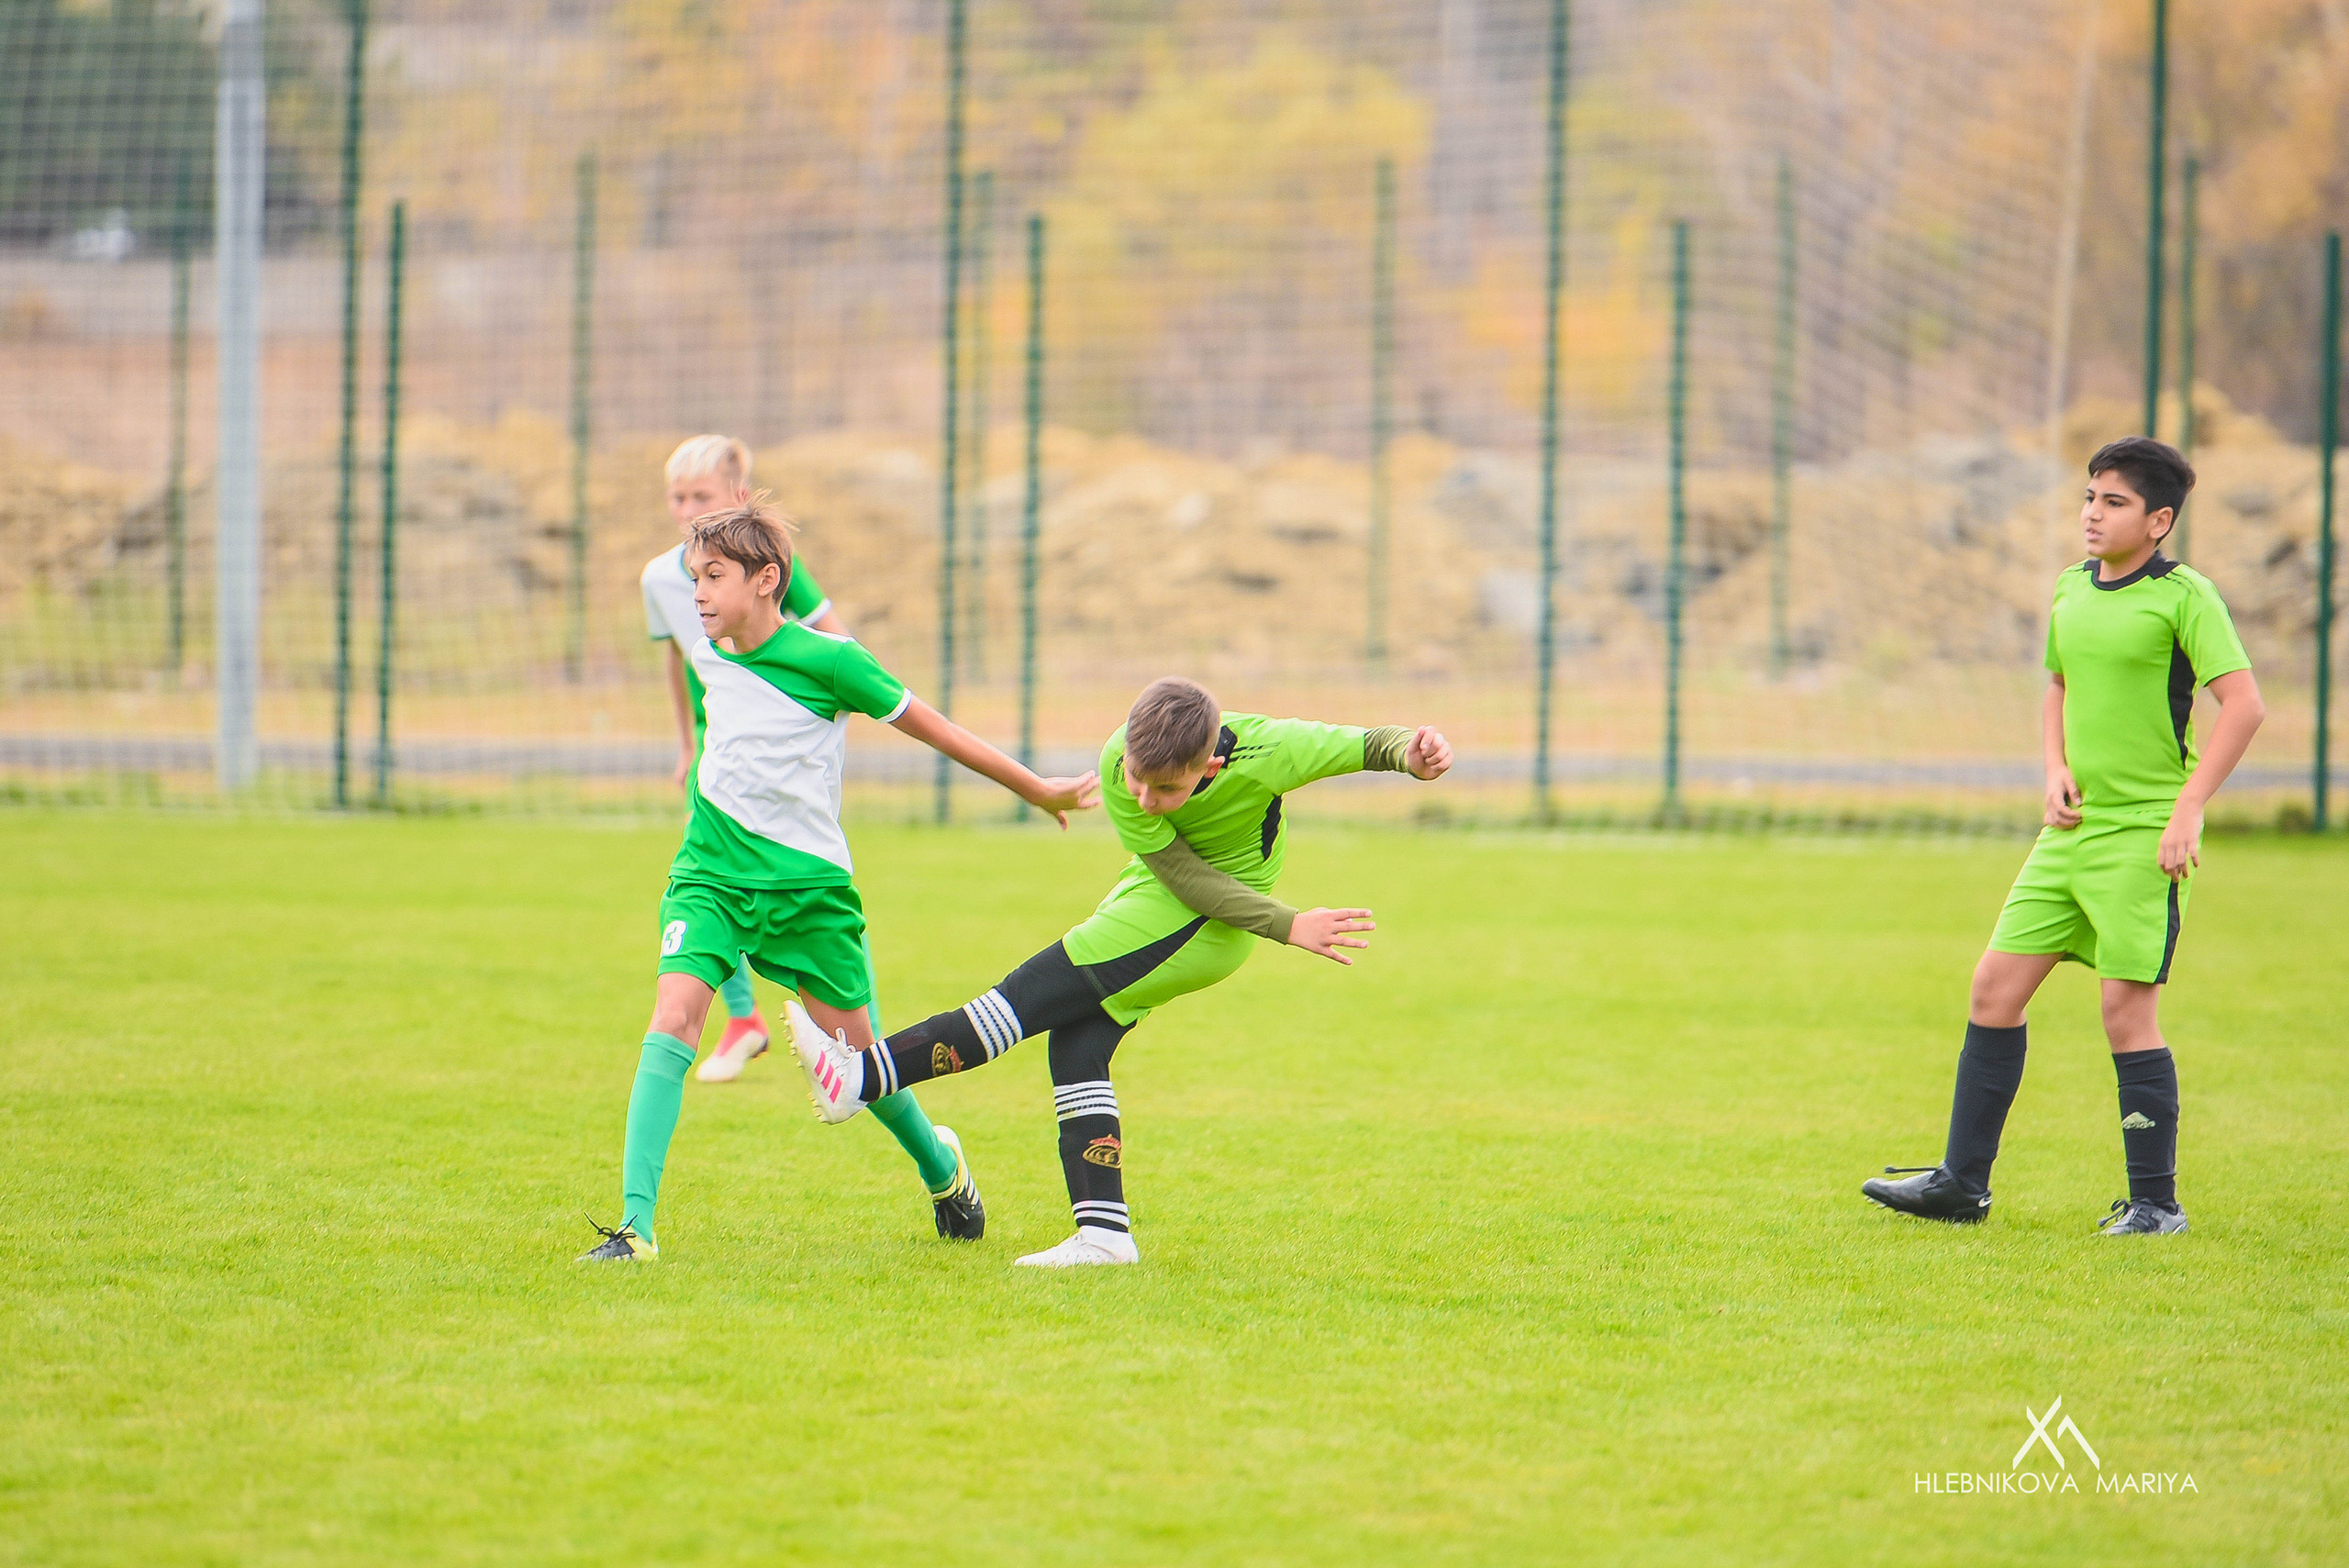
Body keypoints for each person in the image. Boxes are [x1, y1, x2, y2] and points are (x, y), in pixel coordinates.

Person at [581, 497, 1099, 1262]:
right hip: (710, 878)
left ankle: (942, 1167)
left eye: (713, 576)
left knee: (861, 1068)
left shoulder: (834, 661)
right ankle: (635, 1229)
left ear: (767, 580)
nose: (698, 593)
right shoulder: (707, 654)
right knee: (674, 1018)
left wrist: (1036, 788)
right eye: (694, 576)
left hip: (810, 895)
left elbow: (941, 729)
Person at [791, 675, 1452, 1267]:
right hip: (1161, 898)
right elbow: (1173, 871)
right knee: (1077, 1043)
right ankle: (1104, 1233)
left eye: (1166, 788)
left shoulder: (1272, 748)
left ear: (1211, 765)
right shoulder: (1118, 760)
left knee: (1028, 996)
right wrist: (1287, 918)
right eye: (1137, 777)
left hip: (1209, 922)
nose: (1142, 795)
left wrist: (1416, 758)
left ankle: (862, 1077)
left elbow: (1371, 744)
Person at [1863, 437, 2263, 1236]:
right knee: (1994, 989)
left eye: (2113, 502)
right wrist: (2052, 768)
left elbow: (2244, 706)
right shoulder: (2070, 590)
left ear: (2159, 521)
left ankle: (2156, 1204)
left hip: (2143, 836)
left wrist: (2188, 809)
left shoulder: (2186, 597)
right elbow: (2057, 684)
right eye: (2089, 497)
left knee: (2124, 1011)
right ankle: (1961, 1185)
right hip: (2069, 833)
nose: (2091, 513)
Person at [641, 436, 842, 1084]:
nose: (685, 507)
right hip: (715, 749)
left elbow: (836, 642)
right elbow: (676, 660)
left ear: (737, 498)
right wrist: (683, 743)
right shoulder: (657, 578)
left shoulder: (776, 565)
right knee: (704, 882)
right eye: (677, 496)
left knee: (738, 881)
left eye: (700, 496)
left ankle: (774, 1017)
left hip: (771, 755)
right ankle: (743, 1017)